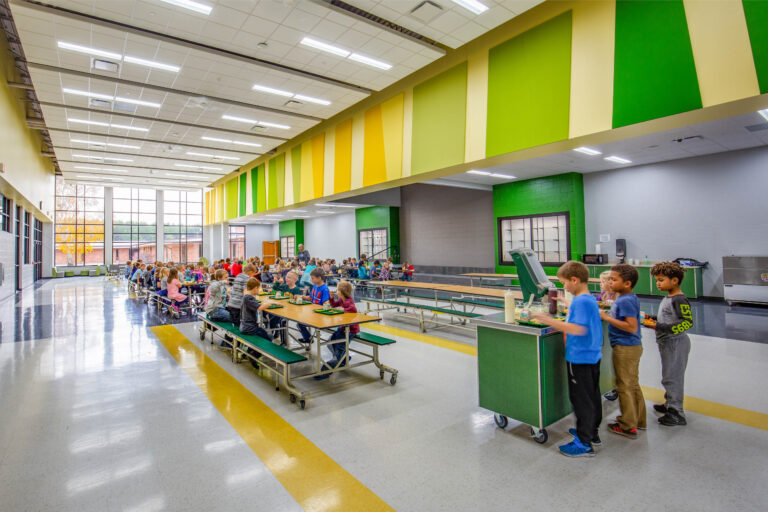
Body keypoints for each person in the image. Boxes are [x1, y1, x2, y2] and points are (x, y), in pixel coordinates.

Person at [533, 261, 603, 457]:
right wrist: (566, 302)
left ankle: (583, 443)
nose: (563, 286)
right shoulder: (587, 299)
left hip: (579, 357)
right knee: (592, 396)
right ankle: (592, 432)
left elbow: (578, 328)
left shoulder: (581, 302)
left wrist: (549, 321)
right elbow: (583, 314)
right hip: (592, 355)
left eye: (564, 283)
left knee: (581, 400)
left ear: (574, 280)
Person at [599, 264, 645, 439]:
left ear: (626, 283)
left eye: (613, 279)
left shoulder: (625, 300)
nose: (610, 282)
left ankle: (627, 425)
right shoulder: (627, 297)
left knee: (624, 386)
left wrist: (607, 317)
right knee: (632, 384)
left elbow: (631, 327)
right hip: (632, 347)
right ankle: (639, 420)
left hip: (625, 347)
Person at [649, 261, 693, 426]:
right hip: (666, 343)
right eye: (657, 280)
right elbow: (668, 317)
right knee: (668, 375)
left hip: (676, 343)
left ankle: (677, 413)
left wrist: (659, 326)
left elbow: (687, 322)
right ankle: (669, 403)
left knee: (672, 377)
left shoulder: (679, 299)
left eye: (661, 280)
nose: (658, 283)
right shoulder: (669, 297)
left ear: (674, 280)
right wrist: (653, 319)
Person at [314, 280, 358, 379]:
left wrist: (344, 310)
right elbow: (334, 305)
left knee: (338, 351)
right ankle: (344, 358)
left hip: (350, 330)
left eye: (337, 290)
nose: (336, 291)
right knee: (330, 342)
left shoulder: (348, 301)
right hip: (342, 328)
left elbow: (353, 309)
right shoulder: (342, 300)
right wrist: (331, 298)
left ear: (341, 291)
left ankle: (326, 371)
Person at [265, 271, 303, 345]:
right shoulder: (284, 286)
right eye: (286, 276)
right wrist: (278, 282)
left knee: (282, 321)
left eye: (289, 277)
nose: (286, 278)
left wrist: (298, 298)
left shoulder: (296, 289)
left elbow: (299, 302)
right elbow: (275, 287)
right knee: (271, 316)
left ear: (295, 280)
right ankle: (272, 333)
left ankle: (284, 342)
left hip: (291, 311)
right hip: (281, 309)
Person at [297, 268, 330, 343]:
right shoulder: (315, 286)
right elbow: (310, 298)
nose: (311, 280)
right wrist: (301, 297)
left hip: (319, 315)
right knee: (299, 322)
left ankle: (308, 338)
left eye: (313, 278)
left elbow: (326, 304)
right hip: (313, 312)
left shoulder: (325, 289)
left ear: (319, 278)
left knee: (300, 323)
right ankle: (308, 338)